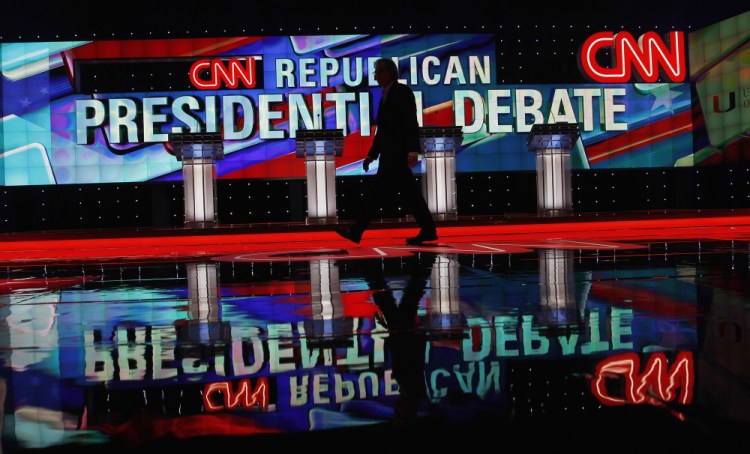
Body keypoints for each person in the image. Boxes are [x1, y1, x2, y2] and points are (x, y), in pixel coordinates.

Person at [336, 58, 438, 245]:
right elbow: (382, 130)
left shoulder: (401, 92)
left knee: (379, 194)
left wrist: (413, 150)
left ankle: (357, 231)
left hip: (397, 155)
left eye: (378, 72)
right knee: (408, 195)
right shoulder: (386, 95)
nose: (375, 76)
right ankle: (428, 229)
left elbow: (410, 123)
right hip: (391, 154)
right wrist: (372, 154)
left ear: (388, 73)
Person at [361, 253, 436, 426]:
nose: (396, 408)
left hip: (399, 333)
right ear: (406, 410)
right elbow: (415, 360)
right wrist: (418, 336)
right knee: (396, 296)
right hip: (403, 332)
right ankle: (369, 266)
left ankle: (425, 261)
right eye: (399, 412)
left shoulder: (409, 389)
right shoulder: (413, 388)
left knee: (404, 295)